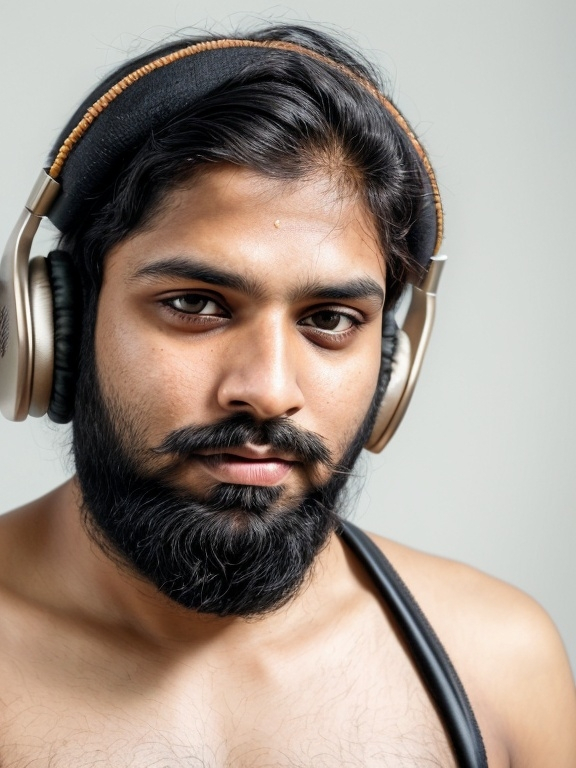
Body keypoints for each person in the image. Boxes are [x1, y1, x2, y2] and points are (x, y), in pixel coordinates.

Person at [0, 22, 574, 768]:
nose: (268, 392)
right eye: (196, 304)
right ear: (56, 327)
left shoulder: (499, 662)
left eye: (330, 320)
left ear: (393, 363)